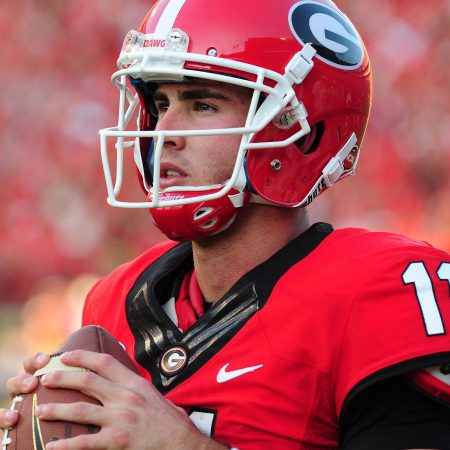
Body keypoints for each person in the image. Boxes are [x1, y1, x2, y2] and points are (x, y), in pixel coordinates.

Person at [1, 0, 450, 448]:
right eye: (161, 103)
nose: (164, 131)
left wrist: (187, 445)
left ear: (301, 132)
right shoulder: (114, 301)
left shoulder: (389, 292)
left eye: (202, 104)